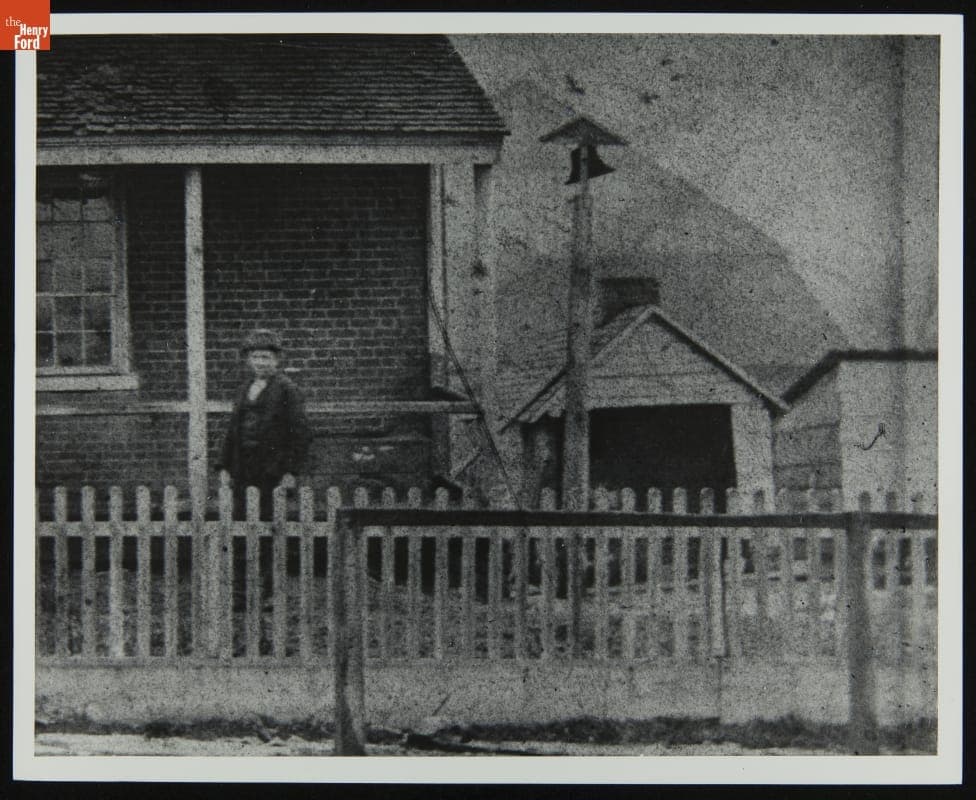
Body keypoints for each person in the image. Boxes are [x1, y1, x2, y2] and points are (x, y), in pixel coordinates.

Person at [216, 329, 309, 519]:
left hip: (272, 469)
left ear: (276, 360)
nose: (260, 362)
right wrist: (224, 466)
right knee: (241, 520)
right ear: (249, 359)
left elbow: (300, 433)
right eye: (255, 357)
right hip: (243, 468)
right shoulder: (244, 389)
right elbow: (233, 430)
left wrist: (290, 471)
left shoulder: (287, 390)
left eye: (266, 357)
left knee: (270, 523)